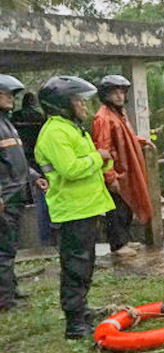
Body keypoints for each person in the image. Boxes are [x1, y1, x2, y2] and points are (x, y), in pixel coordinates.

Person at [35, 76, 115, 338]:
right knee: (75, 265)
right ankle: (75, 322)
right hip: (72, 210)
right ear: (61, 104)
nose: (82, 105)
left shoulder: (71, 128)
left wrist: (100, 161)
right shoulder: (56, 132)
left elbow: (86, 164)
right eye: (77, 100)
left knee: (85, 262)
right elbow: (70, 169)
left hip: (86, 207)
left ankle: (81, 309)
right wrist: (98, 157)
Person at [0, 75, 49, 311]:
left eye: (11, 94)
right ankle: (4, 300)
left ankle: (11, 291)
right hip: (5, 198)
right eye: (5, 93)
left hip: (16, 194)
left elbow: (16, 160)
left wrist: (34, 176)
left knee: (10, 248)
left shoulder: (8, 124)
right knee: (3, 250)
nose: (10, 98)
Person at [92, 75, 154, 257]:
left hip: (126, 169)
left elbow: (124, 136)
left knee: (126, 207)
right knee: (116, 208)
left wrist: (141, 141)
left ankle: (125, 240)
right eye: (114, 92)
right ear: (106, 95)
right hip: (117, 170)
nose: (119, 96)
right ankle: (118, 244)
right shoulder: (103, 118)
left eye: (121, 92)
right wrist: (110, 176)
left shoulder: (119, 113)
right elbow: (103, 148)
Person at [11, 91, 51, 245]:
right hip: (39, 160)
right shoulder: (42, 116)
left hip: (22, 157)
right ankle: (47, 238)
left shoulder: (15, 117)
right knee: (43, 195)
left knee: (26, 196)